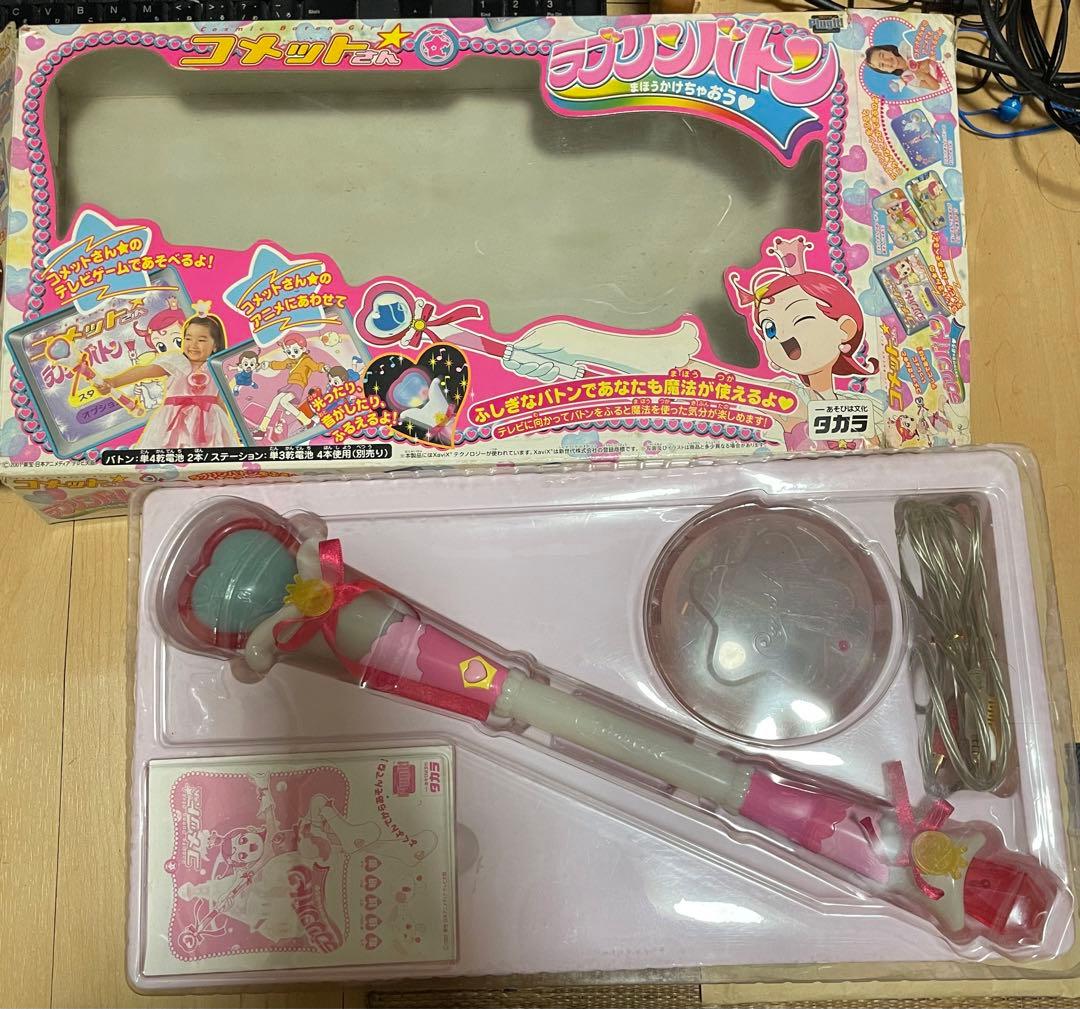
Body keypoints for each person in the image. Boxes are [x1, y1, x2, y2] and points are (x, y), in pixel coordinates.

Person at [728, 236, 878, 451]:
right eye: (770, 329)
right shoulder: (788, 393)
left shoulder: (859, 404)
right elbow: (734, 384)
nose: (783, 338)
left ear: (845, 329)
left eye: (801, 319)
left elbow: (877, 446)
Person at [96, 312, 239, 448]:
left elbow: (220, 400)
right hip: (173, 421)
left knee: (207, 456)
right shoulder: (177, 361)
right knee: (168, 453)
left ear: (215, 345)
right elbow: (144, 371)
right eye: (188, 338)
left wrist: (230, 428)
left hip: (209, 423)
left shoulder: (216, 368)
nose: (193, 344)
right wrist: (114, 382)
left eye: (201, 340)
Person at [865, 43, 946, 93]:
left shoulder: (906, 47)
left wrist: (926, 61)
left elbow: (931, 45)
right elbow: (935, 87)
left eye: (882, 55)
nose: (887, 61)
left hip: (944, 57)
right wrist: (925, 76)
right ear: (886, 71)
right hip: (945, 77)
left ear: (888, 50)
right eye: (882, 65)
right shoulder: (907, 78)